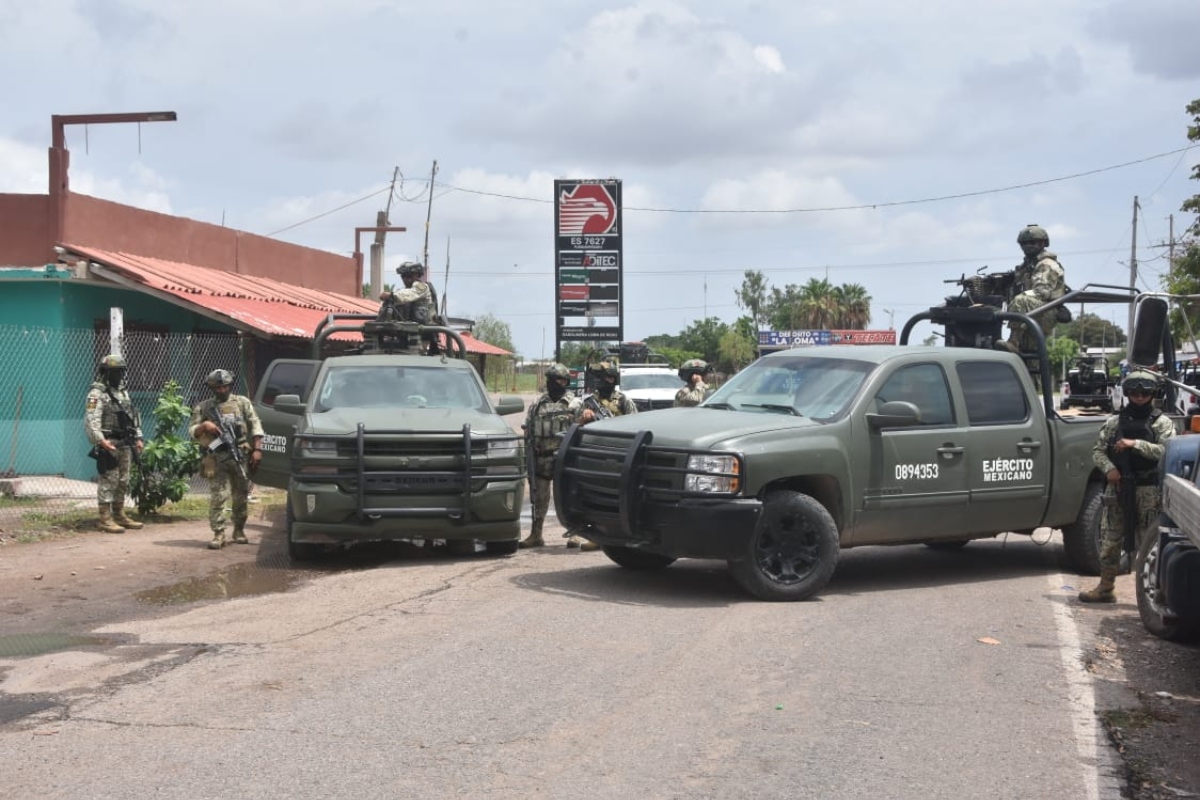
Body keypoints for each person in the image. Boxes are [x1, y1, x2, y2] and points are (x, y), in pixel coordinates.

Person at [1078, 370, 1175, 604]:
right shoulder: (1114, 423)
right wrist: (1109, 469)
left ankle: (1153, 594)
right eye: (1134, 393)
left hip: (1148, 491)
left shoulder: (1162, 423)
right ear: (1127, 393)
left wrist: (1135, 444)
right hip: (1119, 487)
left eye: (1145, 393)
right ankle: (1106, 587)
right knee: (1110, 539)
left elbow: (1166, 451)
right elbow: (1098, 451)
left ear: (1153, 394)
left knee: (1149, 543)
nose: (1139, 397)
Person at [189, 369, 265, 550]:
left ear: (230, 385)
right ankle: (218, 533)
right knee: (218, 496)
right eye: (217, 387)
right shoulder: (204, 407)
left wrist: (257, 449)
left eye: (225, 386)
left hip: (239, 454)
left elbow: (255, 423)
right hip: (216, 457)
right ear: (211, 388)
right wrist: (205, 426)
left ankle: (239, 529)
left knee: (241, 495)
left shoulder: (242, 402)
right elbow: (192, 432)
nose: (222, 390)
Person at [569, 360, 637, 551]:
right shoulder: (589, 402)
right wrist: (583, 418)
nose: (603, 381)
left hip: (618, 455)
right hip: (594, 454)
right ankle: (593, 534)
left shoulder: (623, 401)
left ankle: (615, 535)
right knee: (593, 495)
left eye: (606, 378)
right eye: (599, 378)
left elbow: (636, 424)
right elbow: (575, 426)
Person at [518, 363, 582, 549]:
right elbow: (528, 428)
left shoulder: (575, 403)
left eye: (559, 380)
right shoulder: (538, 403)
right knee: (539, 499)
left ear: (566, 382)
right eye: (552, 380)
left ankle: (575, 534)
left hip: (565, 459)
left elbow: (581, 431)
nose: (554, 383)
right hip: (541, 459)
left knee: (569, 498)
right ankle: (536, 535)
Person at [84, 354, 145, 533]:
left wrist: (138, 437)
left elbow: (132, 416)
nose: (119, 376)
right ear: (105, 373)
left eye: (121, 372)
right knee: (109, 479)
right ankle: (105, 518)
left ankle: (119, 514)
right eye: (115, 372)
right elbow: (91, 420)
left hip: (126, 441)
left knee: (124, 479)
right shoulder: (96, 394)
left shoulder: (123, 392)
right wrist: (101, 440)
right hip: (108, 441)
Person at [1002, 223, 1066, 355]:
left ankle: (1013, 341)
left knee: (1021, 300)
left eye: (1032, 242)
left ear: (1043, 243)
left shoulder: (1047, 264)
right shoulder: (1026, 266)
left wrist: (1020, 295)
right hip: (1032, 311)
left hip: (1046, 310)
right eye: (1024, 243)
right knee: (1029, 354)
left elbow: (1042, 292)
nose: (1027, 246)